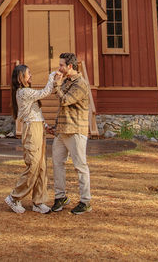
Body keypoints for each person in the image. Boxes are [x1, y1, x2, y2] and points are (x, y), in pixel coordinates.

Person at [4, 63, 57, 214]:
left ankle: (38, 202)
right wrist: (52, 77)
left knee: (41, 166)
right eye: (29, 73)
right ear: (21, 78)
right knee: (33, 165)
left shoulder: (28, 92)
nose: (31, 75)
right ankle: (14, 197)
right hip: (31, 130)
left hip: (39, 127)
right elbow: (46, 92)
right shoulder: (23, 92)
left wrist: (46, 126)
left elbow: (37, 112)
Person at [50, 52, 91, 214]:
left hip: (75, 130)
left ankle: (85, 201)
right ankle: (60, 197)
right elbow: (62, 107)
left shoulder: (81, 84)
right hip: (62, 130)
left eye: (61, 65)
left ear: (70, 66)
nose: (58, 68)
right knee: (57, 163)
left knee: (80, 166)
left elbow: (66, 100)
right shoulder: (66, 81)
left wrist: (57, 85)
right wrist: (55, 126)